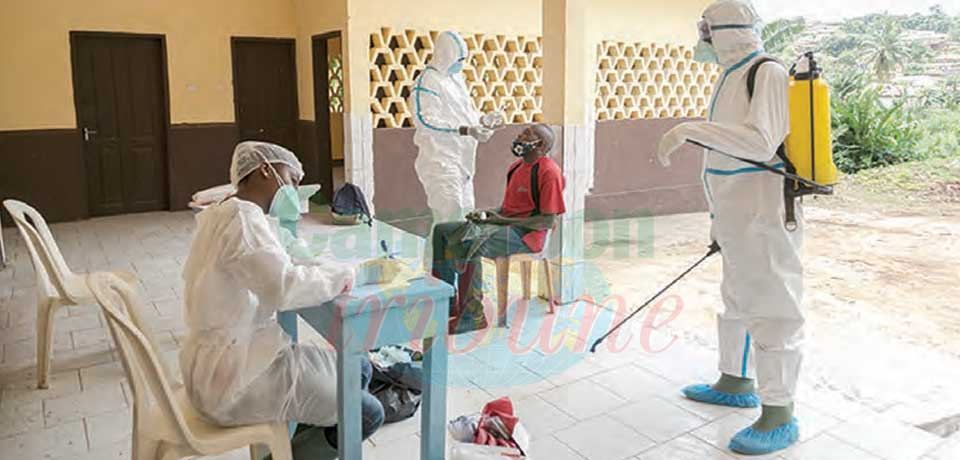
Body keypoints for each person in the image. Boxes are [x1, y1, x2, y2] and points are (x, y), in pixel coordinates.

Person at [179, 141, 401, 459]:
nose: (295, 190)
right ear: (266, 170)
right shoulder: (244, 222)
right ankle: (293, 451)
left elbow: (278, 262)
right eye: (292, 179)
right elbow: (285, 287)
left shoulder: (226, 211)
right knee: (369, 413)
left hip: (226, 358)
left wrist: (328, 266)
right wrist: (356, 274)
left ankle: (306, 441)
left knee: (361, 367)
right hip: (232, 380)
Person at [655, 0, 804, 455]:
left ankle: (779, 412)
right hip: (736, 213)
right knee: (737, 299)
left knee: (773, 306)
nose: (702, 38)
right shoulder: (731, 75)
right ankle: (736, 380)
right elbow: (721, 160)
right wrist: (718, 221)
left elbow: (761, 143)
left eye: (707, 29)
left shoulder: (768, 72)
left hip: (763, 213)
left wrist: (690, 130)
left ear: (728, 30)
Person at [432, 124, 565, 333]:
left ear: (539, 144)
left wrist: (501, 221)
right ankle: (447, 302)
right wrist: (487, 215)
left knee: (471, 242)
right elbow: (509, 210)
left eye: (527, 134)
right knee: (443, 231)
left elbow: (547, 221)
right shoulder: (516, 168)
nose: (520, 136)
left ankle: (473, 315)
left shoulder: (549, 172)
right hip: (506, 227)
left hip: (528, 236)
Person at [411, 30, 502, 268]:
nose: (461, 65)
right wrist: (465, 130)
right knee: (447, 216)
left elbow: (467, 117)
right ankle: (435, 272)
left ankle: (460, 271)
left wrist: (483, 121)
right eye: (458, 59)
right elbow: (426, 120)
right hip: (439, 161)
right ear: (445, 54)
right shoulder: (426, 82)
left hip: (463, 164)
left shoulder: (456, 81)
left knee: (464, 216)